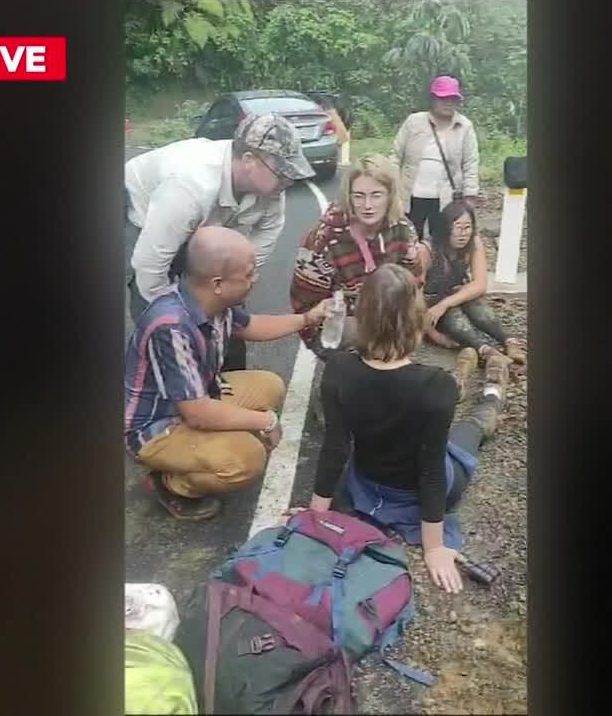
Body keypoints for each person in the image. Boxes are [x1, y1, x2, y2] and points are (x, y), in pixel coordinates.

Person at [303, 264, 509, 594]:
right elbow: (431, 469)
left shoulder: (338, 369)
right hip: (420, 486)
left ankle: (468, 369)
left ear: (362, 319)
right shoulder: (435, 385)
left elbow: (335, 447)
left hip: (365, 488)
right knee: (471, 429)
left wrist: (314, 516)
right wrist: (434, 547)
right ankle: (492, 390)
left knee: (455, 416)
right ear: (416, 320)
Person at [125, 226, 330, 521]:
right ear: (218, 283)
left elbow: (251, 326)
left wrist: (308, 318)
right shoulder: (171, 326)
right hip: (157, 426)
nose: (255, 279)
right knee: (247, 458)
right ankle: (171, 484)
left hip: (196, 399)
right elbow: (198, 414)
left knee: (269, 386)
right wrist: (266, 421)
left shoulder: (213, 301)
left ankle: (202, 448)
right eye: (248, 274)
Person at [124, 113, 315, 371]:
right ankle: (165, 372)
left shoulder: (272, 192)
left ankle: (226, 374)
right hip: (143, 211)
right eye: (282, 171)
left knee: (224, 298)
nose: (288, 180)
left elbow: (249, 262)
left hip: (201, 218)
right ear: (249, 160)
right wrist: (177, 324)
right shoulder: (190, 184)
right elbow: (150, 267)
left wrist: (231, 291)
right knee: (158, 312)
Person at [289, 154, 423, 356]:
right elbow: (305, 303)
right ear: (348, 197)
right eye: (359, 196)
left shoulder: (403, 229)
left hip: (386, 313)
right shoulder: (322, 239)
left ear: (390, 196)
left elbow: (414, 282)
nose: (367, 205)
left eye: (376, 195)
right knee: (365, 342)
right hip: (338, 322)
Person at [421, 201, 527, 399]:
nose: (463, 234)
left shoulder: (473, 243)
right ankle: (486, 350)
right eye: (458, 227)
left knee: (476, 304)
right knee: (454, 316)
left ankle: (509, 341)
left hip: (453, 295)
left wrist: (447, 301)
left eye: (467, 227)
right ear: (446, 228)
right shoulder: (427, 250)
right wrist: (432, 334)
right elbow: (412, 297)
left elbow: (480, 284)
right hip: (430, 304)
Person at [392, 75, 482, 242]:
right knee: (408, 240)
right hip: (410, 196)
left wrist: (470, 195)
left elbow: (470, 163)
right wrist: (392, 188)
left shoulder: (464, 126)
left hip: (445, 198)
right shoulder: (414, 122)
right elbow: (395, 156)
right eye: (443, 98)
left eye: (453, 99)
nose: (448, 103)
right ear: (433, 99)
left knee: (442, 241)